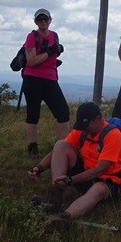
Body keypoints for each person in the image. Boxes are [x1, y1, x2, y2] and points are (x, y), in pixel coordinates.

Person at [28, 102, 121, 230]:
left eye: (86, 126)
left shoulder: (113, 135)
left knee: (99, 189)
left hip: (107, 181)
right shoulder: (82, 131)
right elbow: (57, 151)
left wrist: (70, 180)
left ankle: (64, 218)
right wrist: (39, 168)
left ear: (97, 119)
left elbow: (98, 170)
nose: (84, 129)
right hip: (86, 174)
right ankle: (54, 199)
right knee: (61, 144)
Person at [22, 8, 70, 158]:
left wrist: (58, 50)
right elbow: (31, 61)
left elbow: (53, 54)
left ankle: (60, 147)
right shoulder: (32, 37)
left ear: (50, 20)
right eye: (39, 19)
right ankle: (32, 146)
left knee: (63, 113)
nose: (43, 22)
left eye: (45, 19)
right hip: (32, 79)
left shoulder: (54, 36)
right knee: (33, 113)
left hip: (50, 79)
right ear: (35, 21)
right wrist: (49, 51)